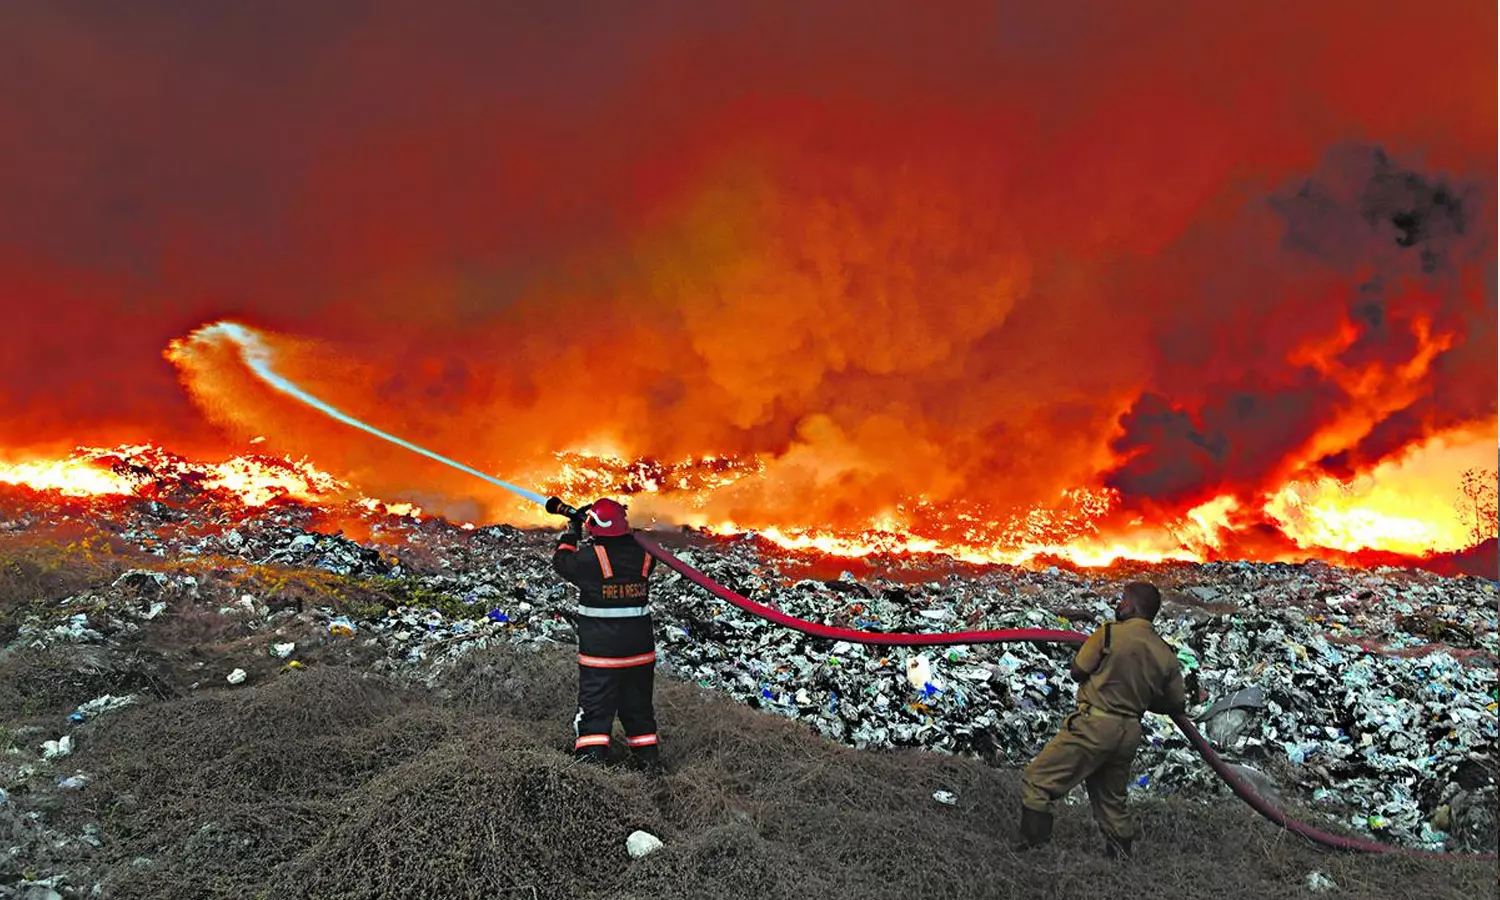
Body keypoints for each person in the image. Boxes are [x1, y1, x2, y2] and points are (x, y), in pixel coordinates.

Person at [1015, 581, 1186, 858]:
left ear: (1131, 606)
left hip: (1094, 726)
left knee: (1038, 781)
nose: (1119, 604)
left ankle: (1033, 854)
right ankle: (1120, 864)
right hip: (1129, 732)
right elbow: (1176, 703)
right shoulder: (1164, 652)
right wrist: (1138, 692)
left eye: (1123, 600)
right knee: (1112, 803)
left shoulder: (1108, 634)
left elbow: (1078, 671)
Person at [551, 497, 663, 773]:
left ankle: (591, 774)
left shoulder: (591, 559)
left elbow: (562, 561)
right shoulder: (645, 555)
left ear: (595, 528)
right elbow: (633, 549)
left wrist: (572, 531)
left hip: (602, 658)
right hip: (639, 655)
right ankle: (650, 769)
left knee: (594, 716)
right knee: (639, 713)